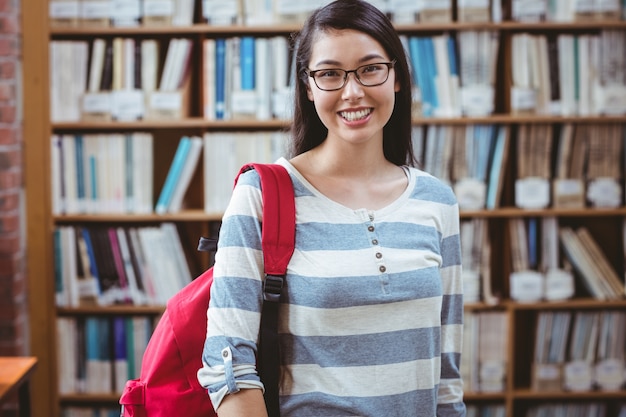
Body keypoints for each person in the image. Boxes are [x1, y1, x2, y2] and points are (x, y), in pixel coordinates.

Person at [197, 1, 466, 416]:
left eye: (371, 68)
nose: (353, 91)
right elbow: (228, 365)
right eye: (330, 74)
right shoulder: (261, 195)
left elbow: (446, 377)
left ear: (396, 77)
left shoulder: (437, 200)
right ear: (307, 86)